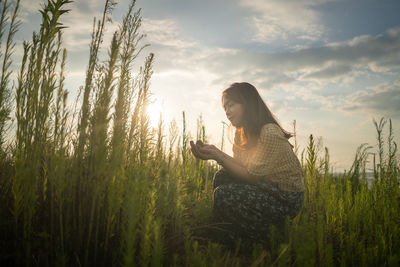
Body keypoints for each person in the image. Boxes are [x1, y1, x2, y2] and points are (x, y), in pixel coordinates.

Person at [190, 82, 304, 247]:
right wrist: (214, 153)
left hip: (285, 197)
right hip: (265, 185)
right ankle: (228, 232)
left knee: (223, 194)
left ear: (247, 103)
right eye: (225, 108)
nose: (227, 112)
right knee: (222, 176)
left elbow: (251, 176)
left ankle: (259, 241)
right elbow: (241, 166)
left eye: (231, 105)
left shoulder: (269, 132)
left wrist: (219, 155)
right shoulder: (241, 132)